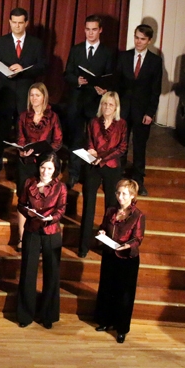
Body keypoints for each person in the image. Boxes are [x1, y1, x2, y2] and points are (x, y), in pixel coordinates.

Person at [0, 7, 47, 179]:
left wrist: (24, 70)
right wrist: (6, 72)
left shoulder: (36, 44)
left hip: (26, 96)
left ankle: (25, 168)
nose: (17, 26)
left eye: (21, 23)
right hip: (5, 95)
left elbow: (43, 66)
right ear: (10, 22)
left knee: (26, 133)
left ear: (26, 23)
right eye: (14, 22)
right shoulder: (0, 42)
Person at [16, 154, 67, 329]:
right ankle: (25, 314)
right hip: (32, 230)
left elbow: (61, 210)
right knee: (28, 272)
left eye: (50, 168)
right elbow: (21, 204)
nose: (45, 171)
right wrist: (27, 212)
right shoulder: (29, 183)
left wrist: (51, 218)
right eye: (43, 167)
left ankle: (48, 315)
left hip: (51, 232)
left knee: (51, 274)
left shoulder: (60, 187)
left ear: (55, 170)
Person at [63, 14, 114, 187]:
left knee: (94, 139)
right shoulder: (76, 49)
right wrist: (76, 80)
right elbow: (67, 73)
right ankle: (73, 174)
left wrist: (104, 88)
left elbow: (110, 77)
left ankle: (91, 175)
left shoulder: (108, 52)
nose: (90, 33)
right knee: (76, 138)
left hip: (96, 102)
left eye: (94, 30)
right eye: (87, 29)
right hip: (77, 100)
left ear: (100, 30)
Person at [94, 179, 146, 343]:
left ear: (132, 196)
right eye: (118, 193)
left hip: (127, 259)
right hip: (110, 254)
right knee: (107, 289)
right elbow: (103, 226)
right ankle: (105, 321)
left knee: (124, 295)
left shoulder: (138, 215)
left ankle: (121, 328)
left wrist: (126, 246)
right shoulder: (111, 211)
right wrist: (101, 232)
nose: (120, 197)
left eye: (124, 194)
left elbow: (138, 238)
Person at [114, 24, 163, 197]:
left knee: (140, 147)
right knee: (121, 145)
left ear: (149, 40)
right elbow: (117, 83)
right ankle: (117, 179)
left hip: (142, 112)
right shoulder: (124, 57)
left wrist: (150, 113)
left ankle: (138, 182)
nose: (138, 41)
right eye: (136, 37)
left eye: (142, 39)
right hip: (124, 110)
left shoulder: (155, 61)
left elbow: (155, 90)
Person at [77, 91, 127, 258]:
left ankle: (106, 245)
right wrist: (91, 150)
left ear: (116, 108)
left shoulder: (122, 125)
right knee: (88, 206)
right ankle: (83, 246)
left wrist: (102, 158)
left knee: (111, 208)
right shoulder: (93, 122)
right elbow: (90, 141)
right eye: (105, 104)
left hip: (111, 166)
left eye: (111, 105)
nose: (107, 107)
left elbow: (121, 148)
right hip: (93, 166)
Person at [14, 83, 63, 248]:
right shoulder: (23, 116)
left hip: (44, 165)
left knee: (43, 199)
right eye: (31, 95)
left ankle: (41, 237)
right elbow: (20, 138)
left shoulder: (52, 117)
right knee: (24, 198)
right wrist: (23, 151)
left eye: (37, 95)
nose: (34, 98)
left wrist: (45, 153)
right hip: (26, 162)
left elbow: (57, 141)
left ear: (44, 97)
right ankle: (22, 238)